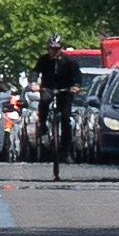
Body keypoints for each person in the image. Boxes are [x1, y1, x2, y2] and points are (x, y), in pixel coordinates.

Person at [35, 45, 84, 173]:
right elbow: (35, 72)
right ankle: (42, 124)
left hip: (65, 90)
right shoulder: (44, 60)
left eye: (57, 49)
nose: (54, 52)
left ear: (61, 48)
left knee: (65, 117)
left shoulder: (69, 61)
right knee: (44, 101)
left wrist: (76, 86)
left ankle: (66, 150)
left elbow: (77, 75)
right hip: (48, 88)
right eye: (52, 49)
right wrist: (34, 83)